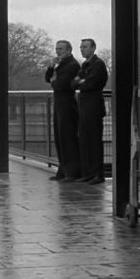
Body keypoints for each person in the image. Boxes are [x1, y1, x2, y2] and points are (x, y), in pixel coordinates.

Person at [44, 40, 81, 181]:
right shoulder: (60, 65)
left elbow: (61, 85)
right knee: (59, 137)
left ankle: (71, 171)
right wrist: (51, 68)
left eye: (60, 49)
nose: (57, 51)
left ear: (69, 50)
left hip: (67, 104)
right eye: (56, 49)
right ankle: (63, 169)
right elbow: (49, 79)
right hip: (59, 103)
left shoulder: (72, 65)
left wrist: (54, 80)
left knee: (68, 137)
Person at [73, 38, 109, 185]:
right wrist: (81, 81)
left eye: (85, 47)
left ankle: (97, 174)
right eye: (81, 47)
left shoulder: (98, 64)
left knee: (94, 141)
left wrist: (81, 81)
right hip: (84, 107)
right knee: (85, 140)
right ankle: (88, 172)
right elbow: (73, 82)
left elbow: (90, 83)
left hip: (93, 107)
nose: (82, 49)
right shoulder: (86, 64)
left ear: (93, 48)